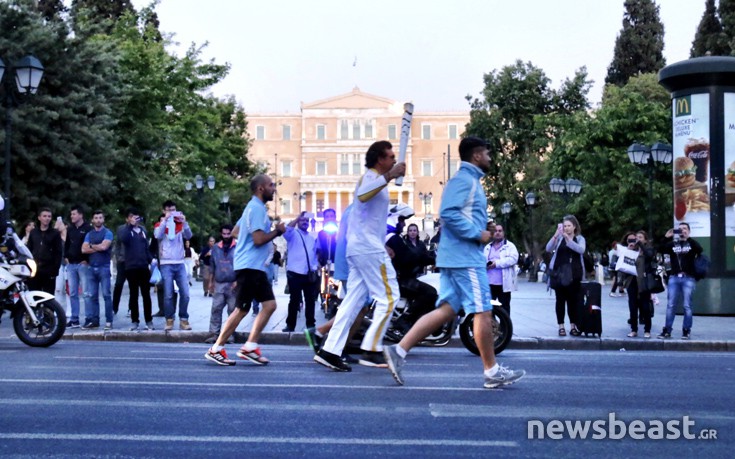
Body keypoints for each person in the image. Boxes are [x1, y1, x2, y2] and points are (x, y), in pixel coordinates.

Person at [383, 137, 525, 389]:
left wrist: (485, 228)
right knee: (483, 310)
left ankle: (399, 350)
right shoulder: (465, 181)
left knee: (446, 310)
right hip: (465, 259)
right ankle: (491, 371)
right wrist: (476, 233)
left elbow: (461, 216)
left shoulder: (469, 182)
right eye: (488, 154)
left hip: (455, 257)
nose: (491, 159)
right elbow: (448, 213)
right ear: (477, 156)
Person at [314, 140, 406, 371]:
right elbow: (364, 196)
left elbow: (367, 218)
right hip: (368, 249)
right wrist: (390, 176)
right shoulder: (371, 178)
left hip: (362, 248)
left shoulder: (376, 181)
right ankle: (371, 348)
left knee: (352, 303)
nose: (394, 160)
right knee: (390, 296)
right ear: (379, 159)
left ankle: (330, 350)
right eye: (390, 157)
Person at [204, 174, 286, 366]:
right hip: (249, 267)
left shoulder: (252, 208)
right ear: (260, 189)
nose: (274, 188)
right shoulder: (256, 209)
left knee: (269, 305)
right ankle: (216, 349)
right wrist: (277, 231)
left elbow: (235, 232)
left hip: (254, 267)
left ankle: (250, 346)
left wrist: (245, 243)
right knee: (242, 308)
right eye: (271, 185)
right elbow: (258, 240)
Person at [385, 215, 437, 336]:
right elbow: (408, 257)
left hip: (403, 277)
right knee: (430, 292)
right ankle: (405, 319)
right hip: (400, 279)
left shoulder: (395, 238)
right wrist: (434, 260)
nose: (403, 224)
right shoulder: (393, 238)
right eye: (402, 221)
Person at [657, 222, 703, 340]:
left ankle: (686, 330)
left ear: (689, 231)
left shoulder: (691, 244)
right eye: (680, 229)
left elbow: (700, 249)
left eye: (685, 229)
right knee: (671, 305)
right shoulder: (673, 244)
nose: (682, 230)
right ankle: (667, 330)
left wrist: (687, 238)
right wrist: (666, 237)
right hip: (674, 277)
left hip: (688, 278)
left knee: (687, 305)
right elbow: (660, 249)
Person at [153, 200, 193, 331]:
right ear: (164, 211)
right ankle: (169, 319)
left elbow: (189, 235)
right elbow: (157, 235)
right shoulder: (160, 224)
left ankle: (184, 319)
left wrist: (184, 222)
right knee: (168, 294)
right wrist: (165, 221)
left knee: (185, 293)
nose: (171, 213)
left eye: (174, 210)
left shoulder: (180, 225)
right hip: (166, 263)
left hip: (180, 262)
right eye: (169, 210)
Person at [545, 215, 586, 337]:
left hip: (574, 275)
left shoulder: (579, 239)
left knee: (573, 301)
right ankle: (561, 326)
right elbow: (548, 248)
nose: (567, 228)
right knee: (560, 301)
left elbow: (581, 250)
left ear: (574, 227)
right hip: (560, 274)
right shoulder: (559, 238)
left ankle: (573, 326)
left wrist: (568, 239)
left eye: (569, 226)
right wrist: (556, 235)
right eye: (565, 226)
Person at [282, 211, 320, 332]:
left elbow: (314, 254)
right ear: (298, 222)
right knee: (294, 300)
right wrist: (298, 217)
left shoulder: (312, 237)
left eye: (306, 221)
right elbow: (287, 229)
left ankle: (310, 324)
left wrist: (315, 266)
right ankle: (290, 325)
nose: (305, 223)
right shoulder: (293, 234)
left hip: (308, 274)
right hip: (294, 273)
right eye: (302, 221)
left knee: (310, 301)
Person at [118, 208, 154, 331]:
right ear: (127, 219)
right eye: (132, 216)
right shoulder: (125, 231)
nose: (135, 219)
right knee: (133, 295)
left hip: (143, 266)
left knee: (146, 295)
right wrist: (129, 226)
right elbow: (124, 239)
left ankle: (149, 320)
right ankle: (135, 320)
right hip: (131, 267)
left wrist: (151, 260)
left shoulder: (143, 231)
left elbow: (146, 248)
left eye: (136, 216)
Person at [81, 210, 114, 330]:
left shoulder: (108, 233)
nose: (98, 220)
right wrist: (97, 247)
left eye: (100, 218)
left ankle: (109, 320)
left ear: (103, 219)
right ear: (92, 220)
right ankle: (95, 320)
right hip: (91, 267)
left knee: (106, 295)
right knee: (93, 296)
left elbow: (105, 246)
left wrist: (91, 246)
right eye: (96, 218)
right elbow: (83, 249)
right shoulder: (89, 234)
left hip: (104, 267)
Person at [205, 224, 237, 344]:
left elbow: (241, 264)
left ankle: (229, 335)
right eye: (224, 234)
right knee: (216, 309)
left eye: (228, 234)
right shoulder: (216, 248)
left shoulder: (237, 247)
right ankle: (214, 334)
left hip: (233, 283)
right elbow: (212, 266)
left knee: (232, 310)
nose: (226, 236)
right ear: (221, 234)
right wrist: (210, 282)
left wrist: (237, 280)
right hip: (219, 282)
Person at [619, 231, 654, 338]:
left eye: (640, 237)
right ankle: (634, 329)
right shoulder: (631, 250)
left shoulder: (647, 249)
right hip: (632, 281)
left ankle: (647, 330)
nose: (637, 239)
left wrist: (641, 246)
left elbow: (650, 256)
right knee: (633, 307)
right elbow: (623, 264)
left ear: (645, 240)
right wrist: (629, 250)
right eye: (636, 237)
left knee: (645, 307)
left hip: (643, 282)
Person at [63, 205, 92, 328]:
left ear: (80, 215)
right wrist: (66, 257)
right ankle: (74, 319)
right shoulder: (70, 229)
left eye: (74, 214)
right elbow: (67, 244)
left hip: (82, 264)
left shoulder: (88, 229)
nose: (72, 216)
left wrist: (87, 260)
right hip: (71, 264)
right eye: (71, 214)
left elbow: (91, 245)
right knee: (73, 293)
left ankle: (89, 318)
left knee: (86, 293)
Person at [483, 223, 519, 316]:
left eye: (500, 231)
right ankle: (493, 329)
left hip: (503, 284)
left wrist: (497, 263)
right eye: (495, 231)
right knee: (489, 309)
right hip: (489, 284)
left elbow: (513, 259)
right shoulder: (487, 247)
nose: (497, 233)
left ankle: (505, 329)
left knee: (504, 308)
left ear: (503, 233)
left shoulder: (510, 246)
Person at [26, 208, 63, 295]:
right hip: (34, 270)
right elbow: (29, 250)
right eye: (44, 216)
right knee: (34, 295)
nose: (47, 218)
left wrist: (55, 269)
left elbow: (58, 252)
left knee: (48, 296)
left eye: (49, 216)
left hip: (49, 270)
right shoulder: (33, 232)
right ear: (39, 218)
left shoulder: (55, 233)